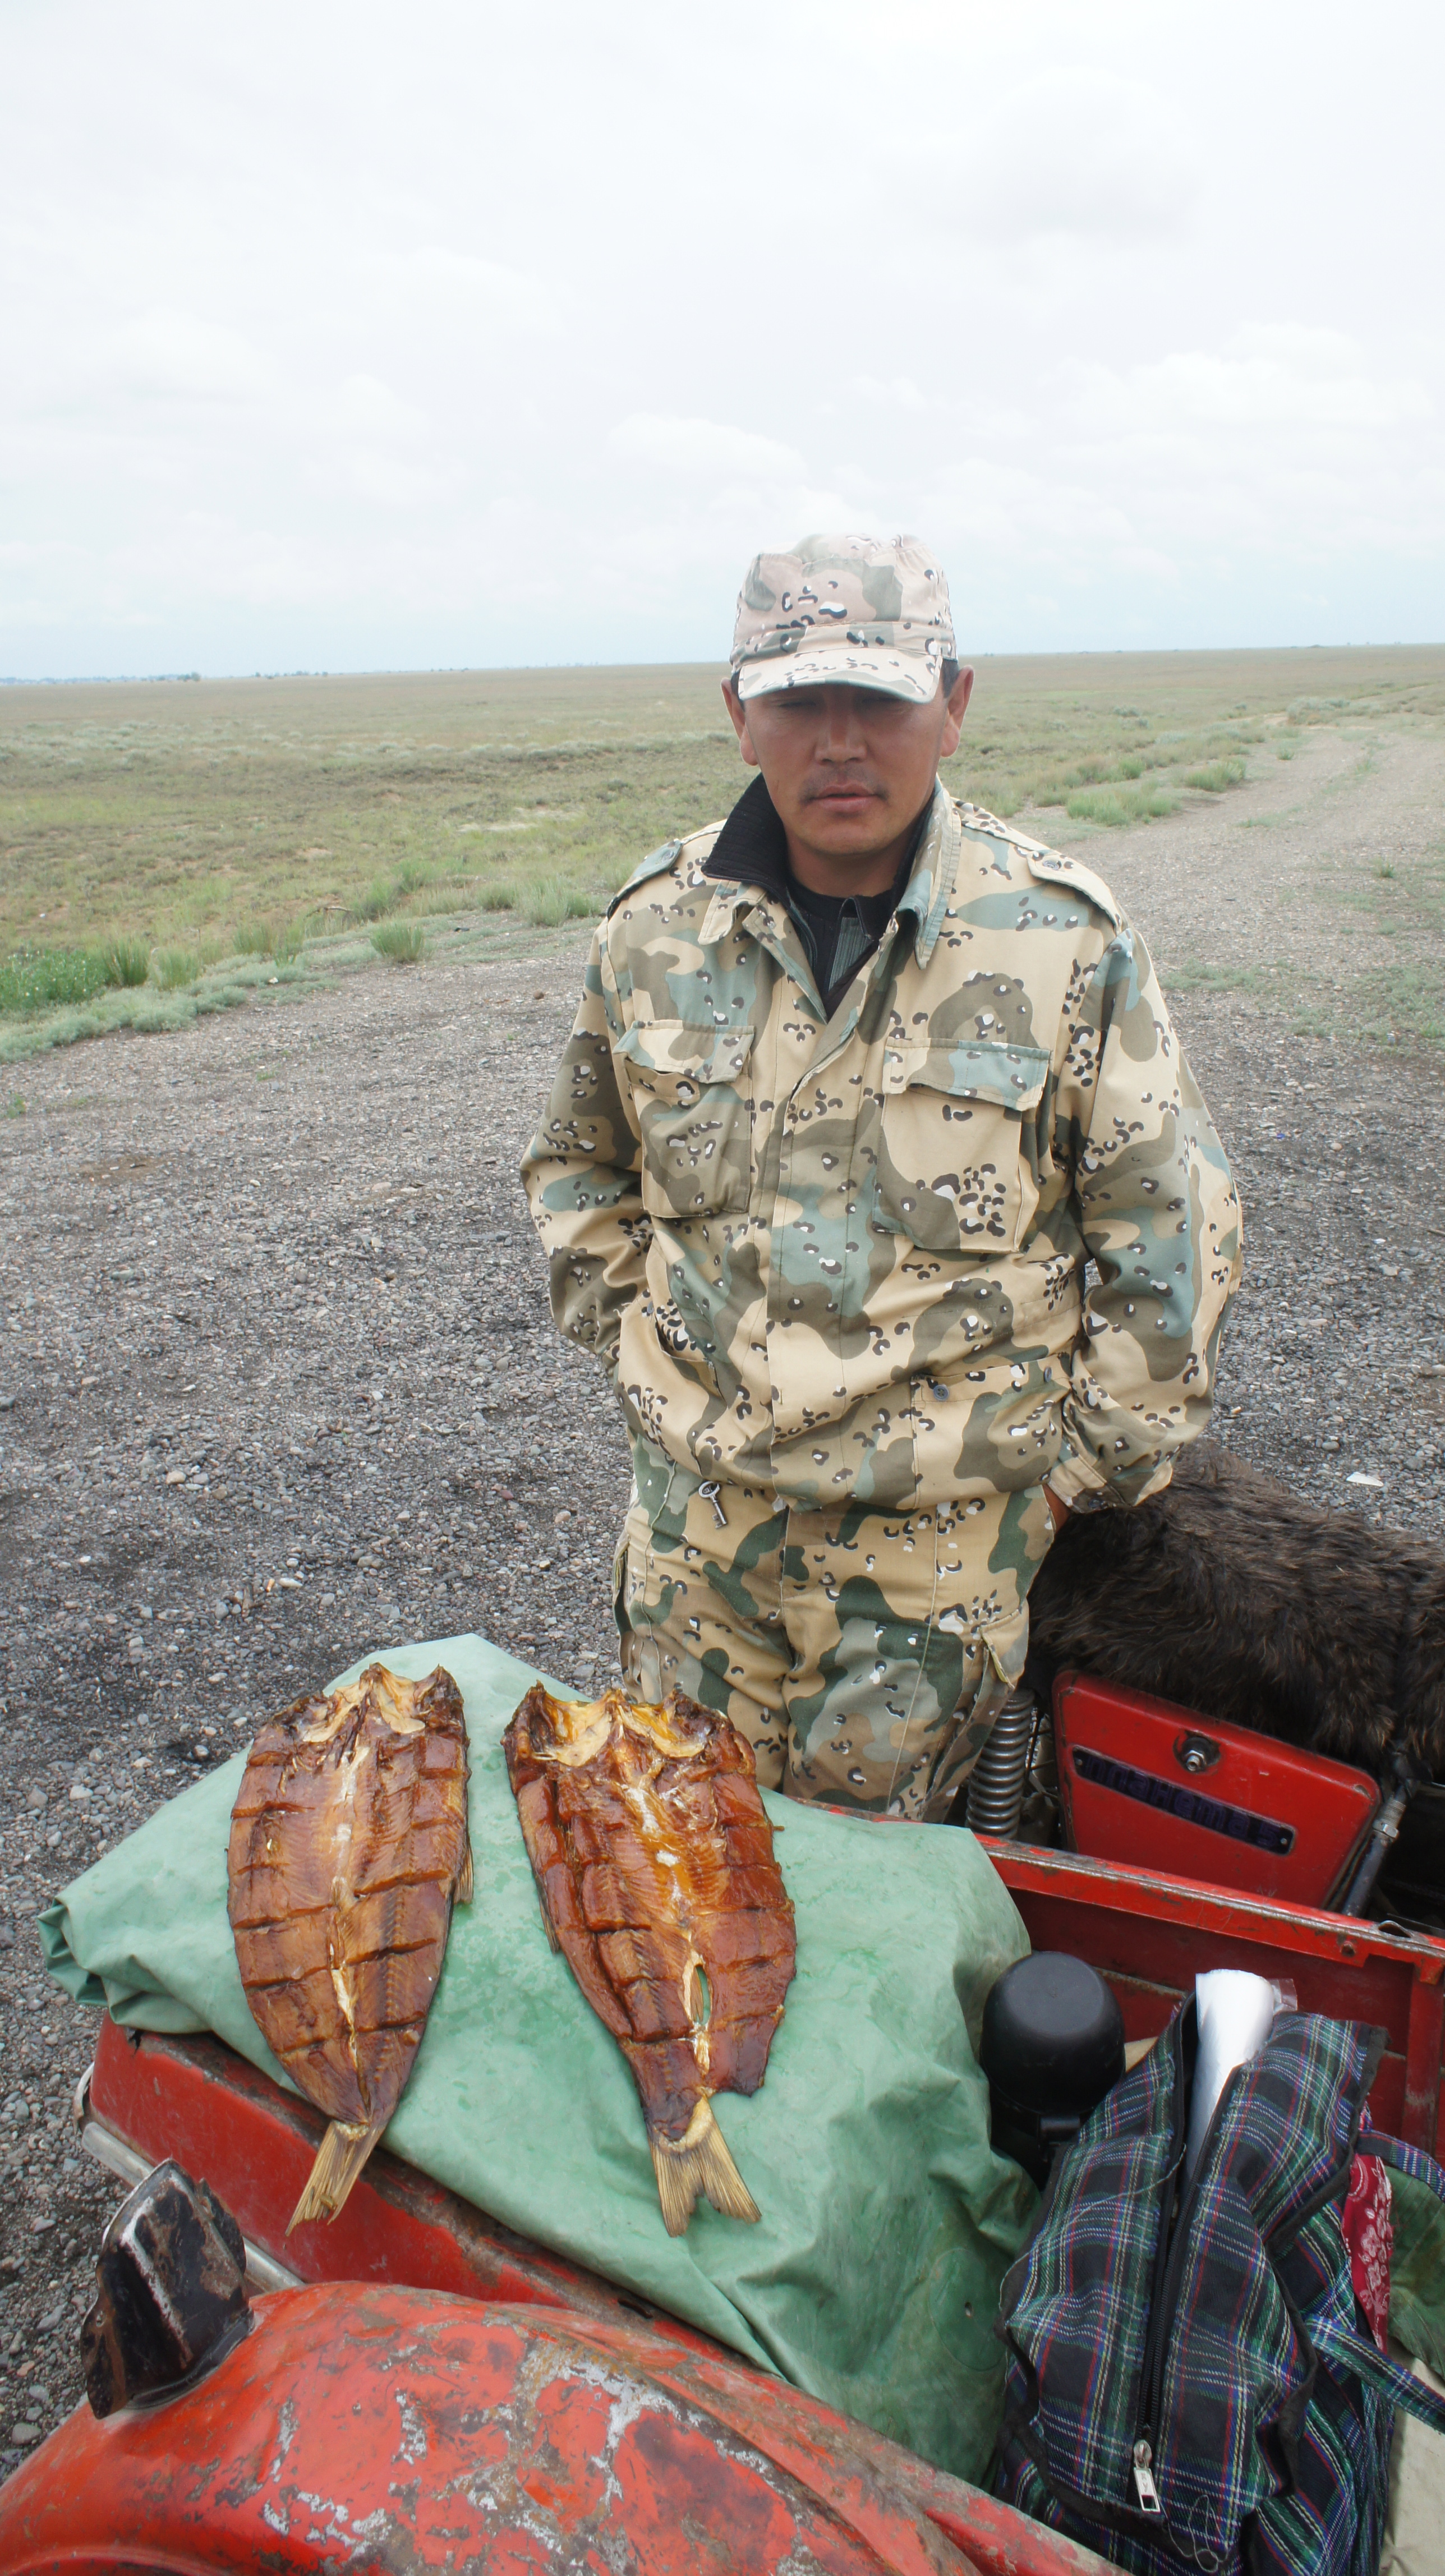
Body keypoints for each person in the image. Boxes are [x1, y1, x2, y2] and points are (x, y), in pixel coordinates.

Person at [521, 532, 1241, 1818]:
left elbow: (1170, 1229)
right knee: (676, 1875)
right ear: (739, 714)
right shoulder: (652, 927)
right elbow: (581, 1168)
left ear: (952, 708)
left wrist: (1078, 1477)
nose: (839, 740)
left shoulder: (1060, 939)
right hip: (696, 1538)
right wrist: (644, 1352)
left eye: (881, 698)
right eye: (799, 699)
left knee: (879, 1912)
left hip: (933, 1557)